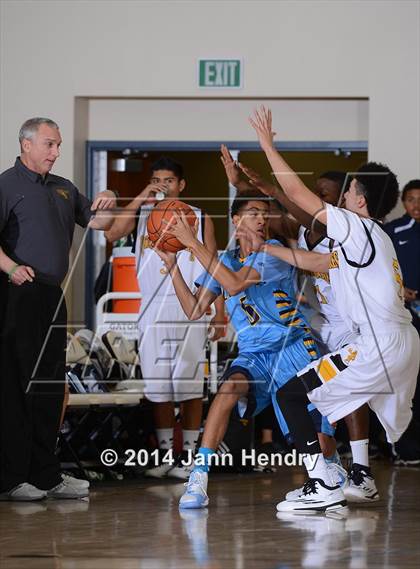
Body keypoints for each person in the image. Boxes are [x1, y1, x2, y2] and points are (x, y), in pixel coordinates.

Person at [246, 106, 419, 513]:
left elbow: (299, 195)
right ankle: (342, 475)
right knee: (310, 395)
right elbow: (319, 263)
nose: (340, 199)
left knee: (290, 395)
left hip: (378, 345)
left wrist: (268, 147)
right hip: (393, 343)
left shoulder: (356, 227)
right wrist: (266, 247)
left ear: (358, 198)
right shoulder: (371, 238)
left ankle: (322, 482)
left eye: (347, 191)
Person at [154, 189, 344, 510]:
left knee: (317, 444)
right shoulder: (225, 260)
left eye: (265, 213)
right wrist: (173, 265)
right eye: (254, 212)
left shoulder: (275, 252)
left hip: (292, 349)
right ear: (236, 220)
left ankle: (332, 467)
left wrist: (193, 242)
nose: (262, 218)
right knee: (227, 390)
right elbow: (194, 309)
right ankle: (198, 477)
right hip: (254, 355)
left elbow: (234, 284)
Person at [224, 147, 379, 502]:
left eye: (323, 195)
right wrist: (242, 187)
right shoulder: (308, 229)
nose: (315, 199)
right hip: (318, 326)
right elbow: (264, 219)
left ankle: (357, 471)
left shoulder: (353, 232)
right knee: (307, 403)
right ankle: (331, 473)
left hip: (354, 323)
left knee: (346, 393)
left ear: (342, 200)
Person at [0, 117, 116, 501]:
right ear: (26, 144)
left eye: (59, 145)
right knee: (18, 387)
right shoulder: (7, 185)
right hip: (18, 294)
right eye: (49, 144)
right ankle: (13, 477)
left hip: (52, 294)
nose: (56, 152)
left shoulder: (64, 188)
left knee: (50, 387)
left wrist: (109, 198)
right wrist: (11, 267)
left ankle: (46, 475)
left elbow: (101, 223)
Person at [105, 157, 225, 480]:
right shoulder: (143, 214)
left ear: (181, 184)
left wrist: (221, 312)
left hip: (190, 306)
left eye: (168, 180)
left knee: (188, 384)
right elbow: (112, 232)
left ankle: (188, 456)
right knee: (157, 386)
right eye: (156, 179)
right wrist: (144, 193)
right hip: (152, 308)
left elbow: (214, 265)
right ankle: (163, 455)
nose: (162, 185)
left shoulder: (199, 217)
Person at [385, 179, 420, 464]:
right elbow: (381, 270)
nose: (416, 205)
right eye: (411, 199)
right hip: (404, 317)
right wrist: (400, 291)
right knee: (406, 382)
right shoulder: (393, 231)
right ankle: (405, 449)